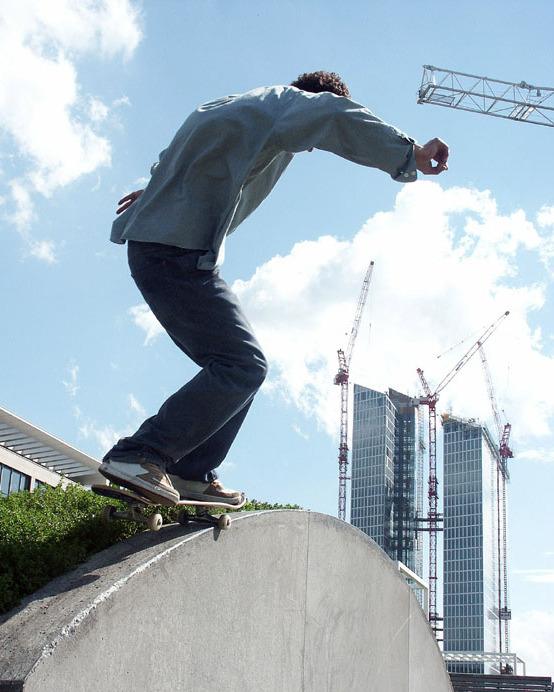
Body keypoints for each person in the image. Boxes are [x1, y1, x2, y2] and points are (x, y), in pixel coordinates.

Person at [99, 70, 449, 506]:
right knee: (242, 366)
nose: (307, 147)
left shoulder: (232, 105)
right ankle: (139, 454)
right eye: (310, 143)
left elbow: (176, 154)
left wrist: (156, 187)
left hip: (164, 248)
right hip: (174, 254)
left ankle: (190, 472)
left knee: (241, 365)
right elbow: (336, 116)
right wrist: (410, 152)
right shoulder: (291, 105)